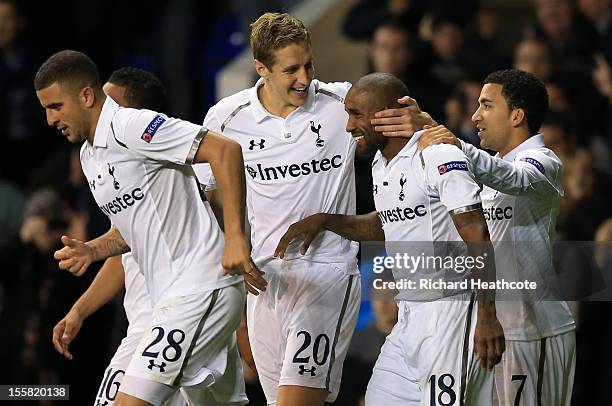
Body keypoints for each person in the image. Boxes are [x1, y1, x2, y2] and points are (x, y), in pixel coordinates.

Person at [194, 12, 430, 406]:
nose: (304, 78)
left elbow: (409, 121)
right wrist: (231, 287)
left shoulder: (343, 103)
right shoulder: (226, 119)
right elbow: (201, 198)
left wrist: (424, 120)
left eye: (308, 64)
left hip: (327, 274)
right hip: (263, 284)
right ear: (260, 68)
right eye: (290, 70)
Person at [34, 50, 261, 406]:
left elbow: (226, 151)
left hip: (199, 288)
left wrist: (234, 238)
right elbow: (133, 226)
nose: (49, 120)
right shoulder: (89, 156)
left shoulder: (131, 126)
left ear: (86, 96)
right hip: (166, 300)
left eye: (55, 106)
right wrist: (93, 250)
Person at [275, 72, 505, 405]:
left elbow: (478, 234)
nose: (349, 126)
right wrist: (326, 221)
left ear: (388, 112)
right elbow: (388, 224)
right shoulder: (381, 163)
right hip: (408, 312)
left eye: (357, 114)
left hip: (452, 314)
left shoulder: (436, 153)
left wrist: (486, 315)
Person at [418, 69, 576, 405]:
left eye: (487, 106)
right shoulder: (491, 167)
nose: (475, 116)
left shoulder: (544, 163)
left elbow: (514, 178)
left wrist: (456, 144)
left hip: (535, 330)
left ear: (517, 115)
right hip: (497, 330)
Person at [51, 67, 188, 406]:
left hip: (184, 312)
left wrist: (242, 317)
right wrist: (80, 310)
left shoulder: (184, 169)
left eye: (109, 104)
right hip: (142, 320)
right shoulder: (109, 168)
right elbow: (126, 247)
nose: (98, 110)